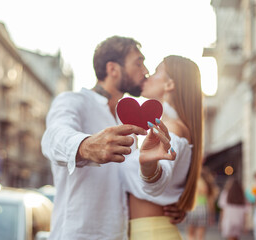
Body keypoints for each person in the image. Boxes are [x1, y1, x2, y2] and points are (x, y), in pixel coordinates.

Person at [41, 36, 184, 240]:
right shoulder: (72, 101)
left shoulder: (125, 119)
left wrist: (166, 203)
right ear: (113, 69)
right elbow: (53, 138)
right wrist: (86, 146)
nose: (145, 71)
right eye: (138, 62)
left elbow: (133, 183)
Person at [119, 55, 203, 239]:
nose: (148, 76)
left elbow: (161, 172)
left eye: (157, 71)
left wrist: (149, 167)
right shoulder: (171, 127)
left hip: (150, 232)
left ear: (169, 85)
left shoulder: (172, 128)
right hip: (148, 231)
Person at [185, 167, 219, 240]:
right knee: (201, 236)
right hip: (203, 209)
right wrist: (212, 215)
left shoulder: (192, 184)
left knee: (191, 234)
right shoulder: (206, 185)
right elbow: (210, 201)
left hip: (193, 209)